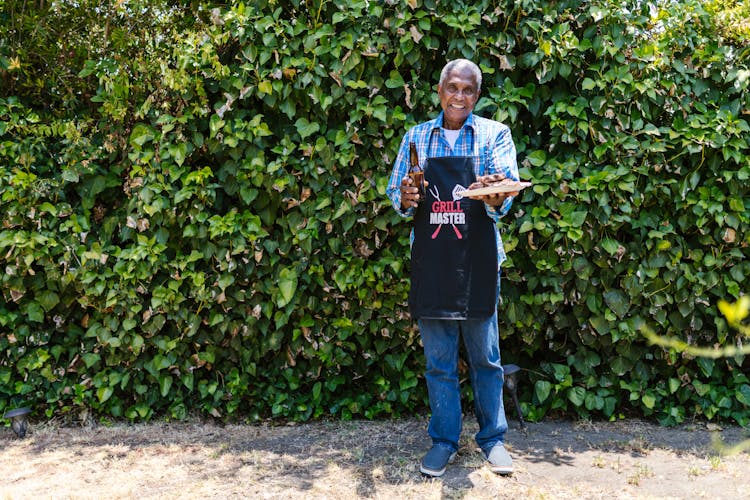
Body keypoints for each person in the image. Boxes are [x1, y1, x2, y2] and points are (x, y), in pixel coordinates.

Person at [386, 59, 520, 477]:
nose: (459, 96)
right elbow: (397, 194)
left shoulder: (495, 135)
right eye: (452, 87)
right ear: (439, 90)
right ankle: (444, 441)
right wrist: (407, 197)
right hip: (432, 263)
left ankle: (492, 439)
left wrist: (493, 194)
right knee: (439, 362)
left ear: (477, 96)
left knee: (486, 358)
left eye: (468, 90)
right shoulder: (416, 137)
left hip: (479, 263)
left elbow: (506, 195)